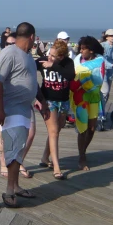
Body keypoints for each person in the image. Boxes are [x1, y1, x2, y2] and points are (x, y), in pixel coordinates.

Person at [0, 22, 49, 208]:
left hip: (25, 108)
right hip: (11, 108)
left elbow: (33, 82)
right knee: (13, 148)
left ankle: (16, 186)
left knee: (19, 147)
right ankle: (9, 190)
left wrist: (42, 101)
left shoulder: (28, 56)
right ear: (32, 37)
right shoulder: (9, 53)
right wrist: (0, 109)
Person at [37, 39, 75, 180]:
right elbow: (27, 68)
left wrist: (53, 66)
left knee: (57, 130)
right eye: (49, 54)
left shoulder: (68, 63)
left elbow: (71, 75)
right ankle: (56, 167)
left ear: (61, 57)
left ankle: (44, 157)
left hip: (64, 101)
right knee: (53, 131)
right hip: (48, 101)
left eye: (53, 56)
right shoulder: (42, 61)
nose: (49, 57)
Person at [72, 36, 107, 170]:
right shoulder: (77, 60)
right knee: (83, 128)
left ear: (91, 50)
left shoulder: (100, 61)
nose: (81, 51)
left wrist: (85, 82)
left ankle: (83, 151)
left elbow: (100, 80)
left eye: (83, 49)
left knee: (92, 128)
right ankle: (82, 157)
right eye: (80, 48)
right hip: (80, 98)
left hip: (93, 96)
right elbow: (73, 77)